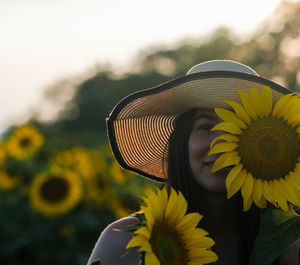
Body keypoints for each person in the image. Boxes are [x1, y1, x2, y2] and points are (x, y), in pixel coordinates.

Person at [87, 60, 300, 265]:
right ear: (182, 140)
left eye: (239, 132)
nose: (222, 145)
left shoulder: (288, 245)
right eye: (206, 127)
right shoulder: (122, 244)